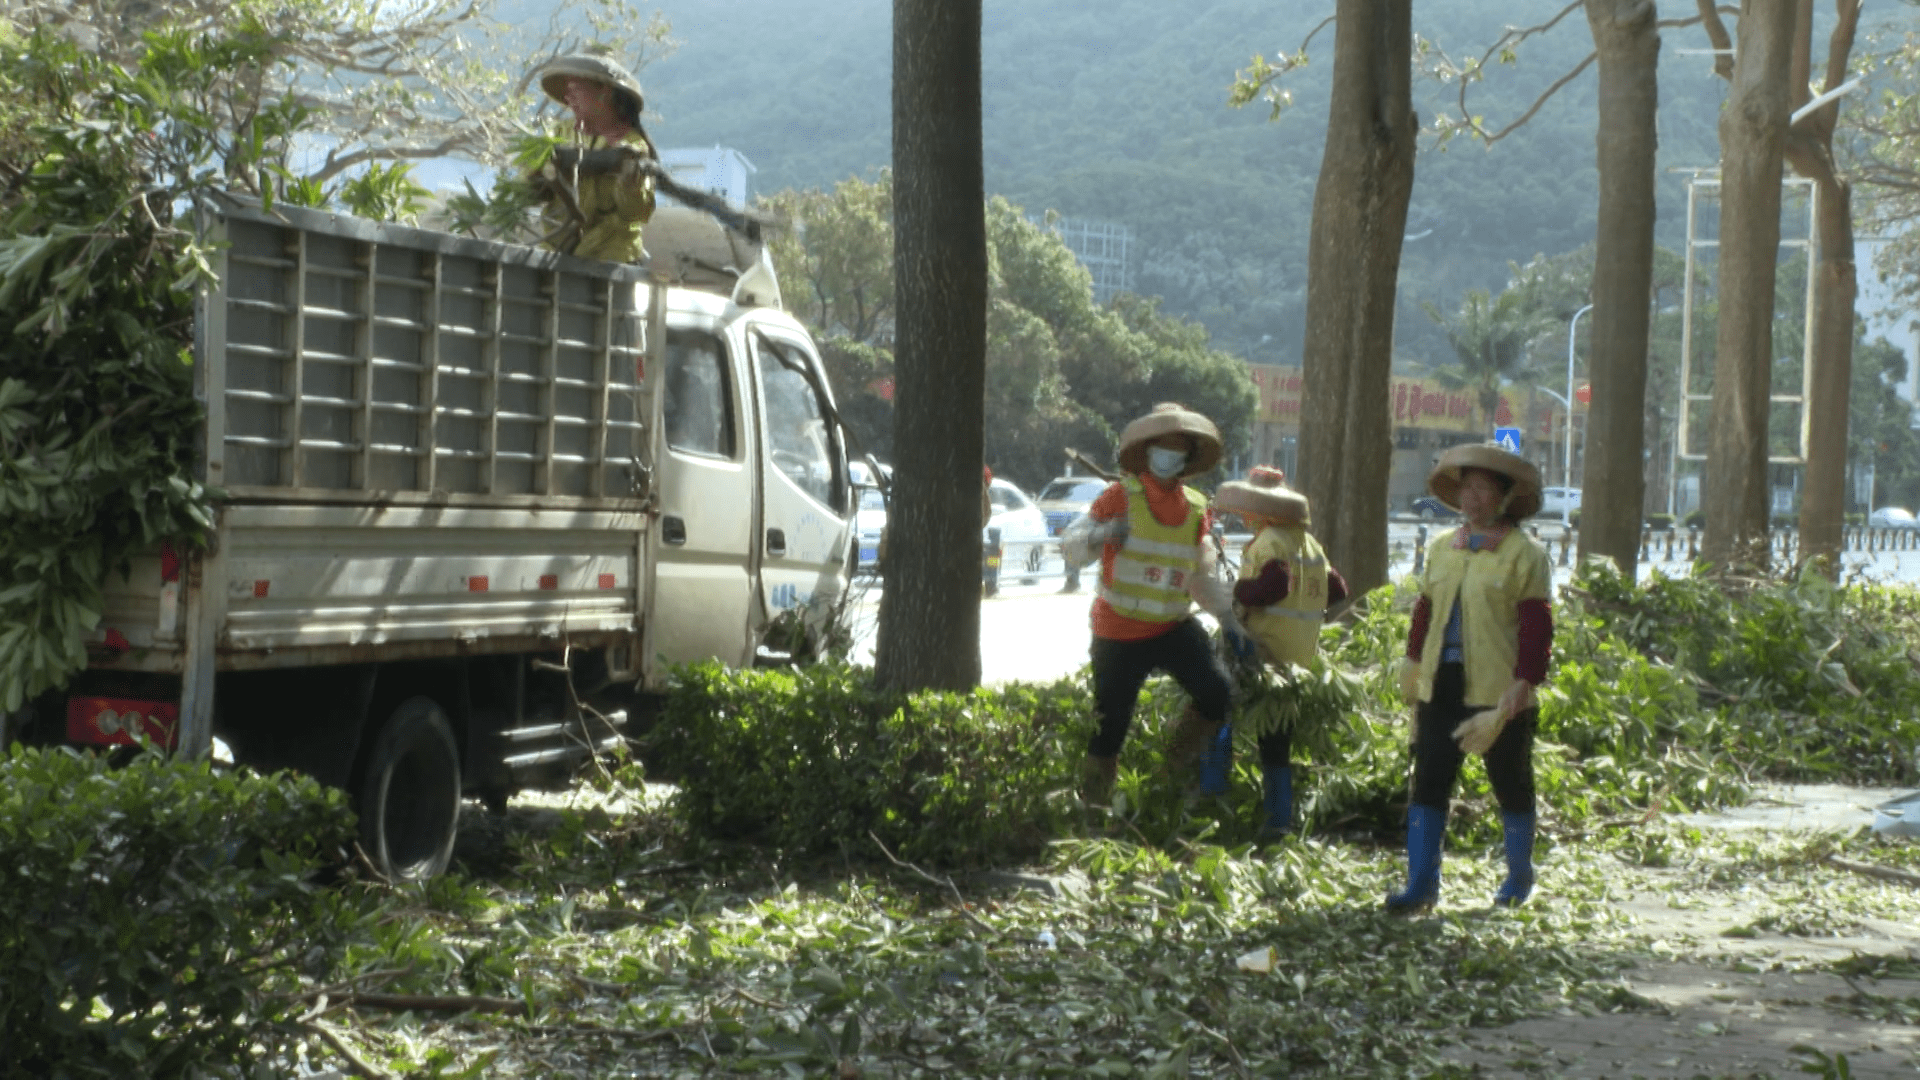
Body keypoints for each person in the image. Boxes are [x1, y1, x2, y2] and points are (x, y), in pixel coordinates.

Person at [1061, 403, 1256, 810]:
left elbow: (1200, 572)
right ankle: (1095, 808)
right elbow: (1072, 548)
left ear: (1186, 458)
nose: (1168, 456)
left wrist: (1229, 619)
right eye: (1161, 447)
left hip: (1171, 627)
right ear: (1147, 452)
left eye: (1176, 449)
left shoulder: (1197, 507)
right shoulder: (1119, 496)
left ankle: (1165, 778)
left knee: (1217, 694)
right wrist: (1105, 531)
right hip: (1118, 630)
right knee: (1109, 727)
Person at [1388, 442, 1554, 911]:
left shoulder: (1525, 554)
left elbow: (1537, 626)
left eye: (1483, 489)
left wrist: (1526, 682)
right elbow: (1425, 611)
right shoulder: (1443, 549)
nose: (1472, 498)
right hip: (1442, 681)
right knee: (1429, 782)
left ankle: (1518, 878)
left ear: (1503, 498)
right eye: (1466, 488)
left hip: (1498, 688)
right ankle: (1421, 886)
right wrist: (1412, 661)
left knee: (1511, 783)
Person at [1209, 466, 1348, 840]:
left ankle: (1211, 803)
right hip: (1297, 661)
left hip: (1262, 654)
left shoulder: (1270, 541)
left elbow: (1273, 586)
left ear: (1262, 510)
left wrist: (1238, 594)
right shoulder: (1310, 543)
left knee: (1221, 717)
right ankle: (1278, 822)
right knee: (1276, 744)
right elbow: (1337, 589)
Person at [533, 54, 657, 263]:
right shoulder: (557, 134)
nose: (568, 98)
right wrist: (539, 174)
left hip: (608, 258)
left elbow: (635, 214)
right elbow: (529, 189)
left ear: (604, 93)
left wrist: (630, 186)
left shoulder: (632, 146)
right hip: (555, 253)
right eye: (565, 93)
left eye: (574, 90)